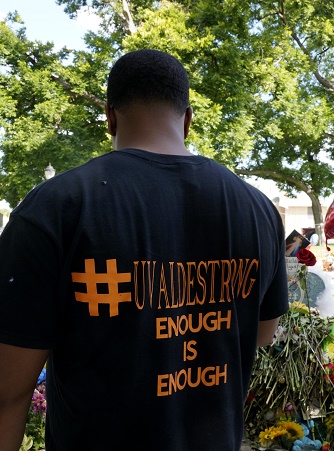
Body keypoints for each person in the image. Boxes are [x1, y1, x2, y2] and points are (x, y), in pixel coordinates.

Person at [0, 49, 289, 451]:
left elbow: (7, 394)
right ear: (187, 120)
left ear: (110, 117)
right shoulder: (259, 209)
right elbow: (262, 333)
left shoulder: (56, 208)